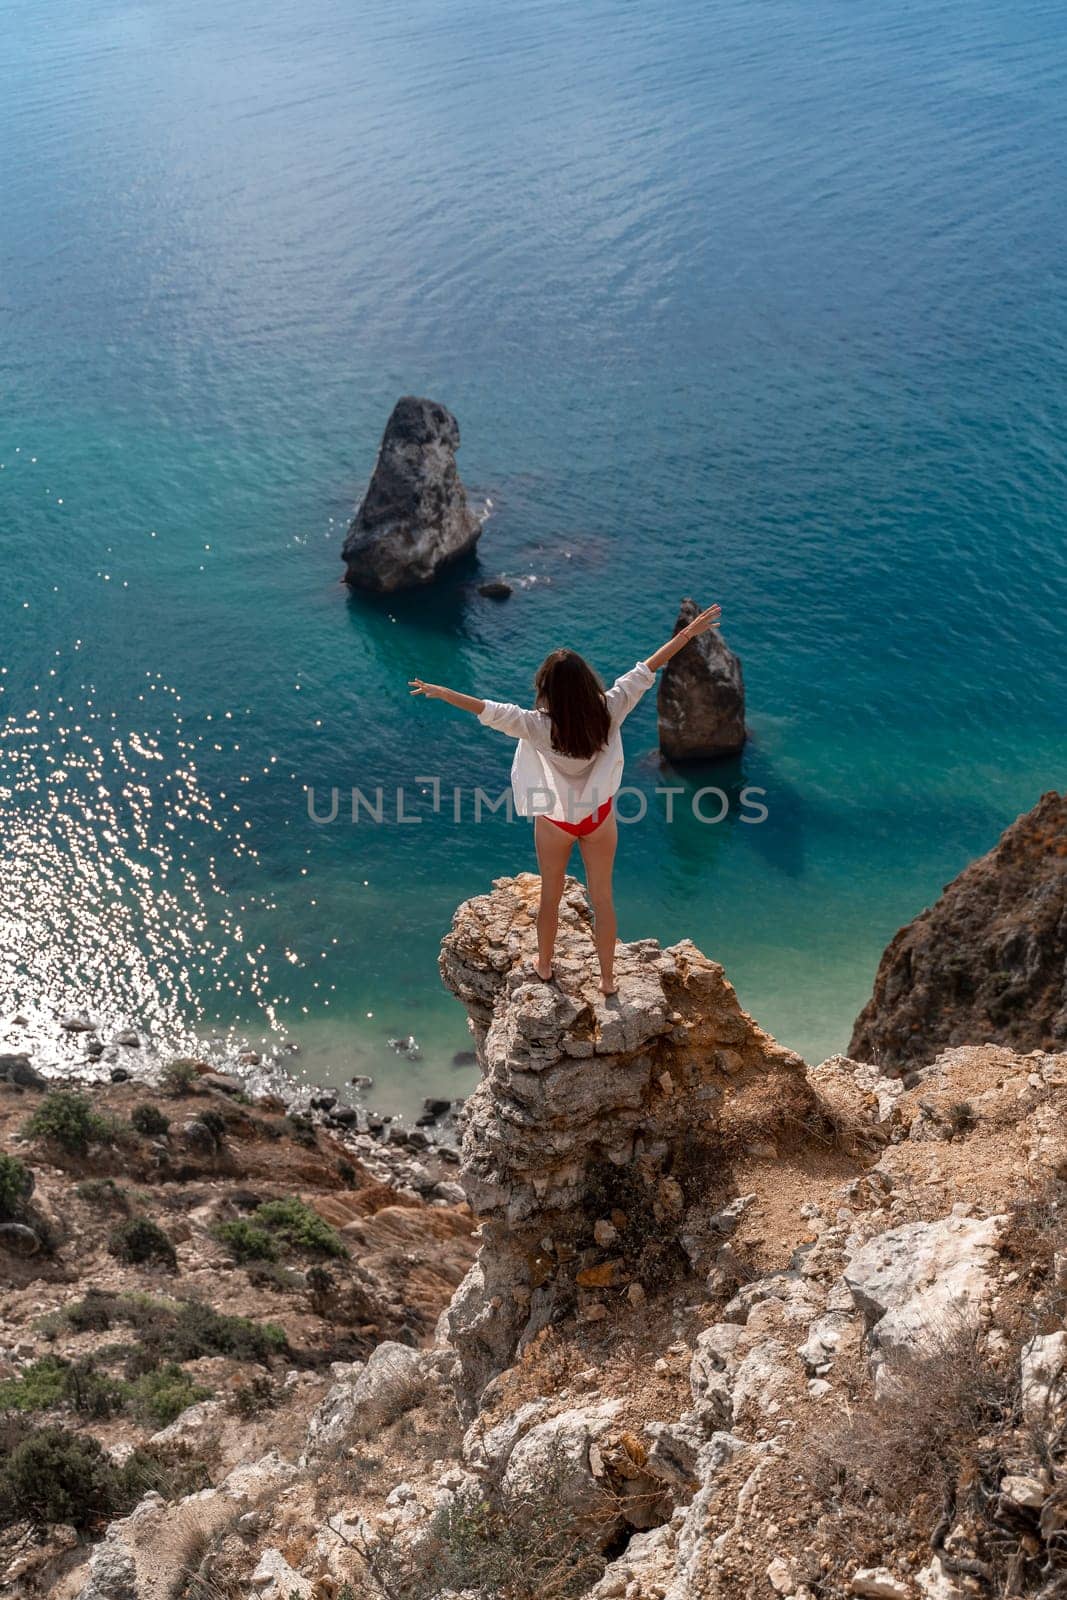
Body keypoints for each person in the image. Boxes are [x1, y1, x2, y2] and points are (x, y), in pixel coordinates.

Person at [410, 602, 721, 996]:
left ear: (547, 688)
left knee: (551, 895)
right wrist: (688, 634)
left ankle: (543, 965)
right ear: (586, 681)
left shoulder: (536, 726)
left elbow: (489, 710)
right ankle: (608, 980)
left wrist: (442, 692)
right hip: (599, 820)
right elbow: (649, 668)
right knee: (603, 899)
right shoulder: (610, 708)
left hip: (556, 823)